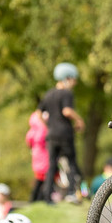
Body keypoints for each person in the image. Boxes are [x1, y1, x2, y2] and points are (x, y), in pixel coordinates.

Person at [36, 62, 85, 204]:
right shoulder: (66, 93)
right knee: (71, 162)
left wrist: (49, 125)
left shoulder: (49, 94)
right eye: (74, 80)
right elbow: (67, 111)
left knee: (52, 165)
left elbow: (39, 113)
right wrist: (79, 120)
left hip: (51, 135)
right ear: (67, 78)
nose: (74, 84)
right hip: (65, 133)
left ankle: (47, 196)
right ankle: (71, 193)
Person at [26, 110, 49, 202]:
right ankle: (38, 199)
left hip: (36, 155)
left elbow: (28, 141)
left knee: (39, 179)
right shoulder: (43, 129)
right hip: (44, 156)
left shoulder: (33, 130)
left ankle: (35, 199)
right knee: (43, 180)